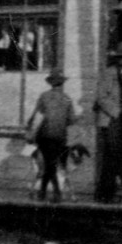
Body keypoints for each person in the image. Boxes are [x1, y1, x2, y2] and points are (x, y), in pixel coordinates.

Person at [94, 41, 122, 202]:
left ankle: (106, 193)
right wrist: (116, 112)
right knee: (113, 155)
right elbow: (101, 97)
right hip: (110, 121)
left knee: (115, 156)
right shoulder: (108, 74)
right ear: (117, 59)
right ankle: (114, 191)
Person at [27, 69, 78, 202]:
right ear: (62, 83)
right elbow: (71, 120)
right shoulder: (67, 99)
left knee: (49, 163)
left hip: (44, 135)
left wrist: (30, 131)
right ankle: (47, 192)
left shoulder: (44, 96)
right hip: (60, 136)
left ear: (51, 83)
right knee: (51, 163)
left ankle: (52, 192)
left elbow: (36, 116)